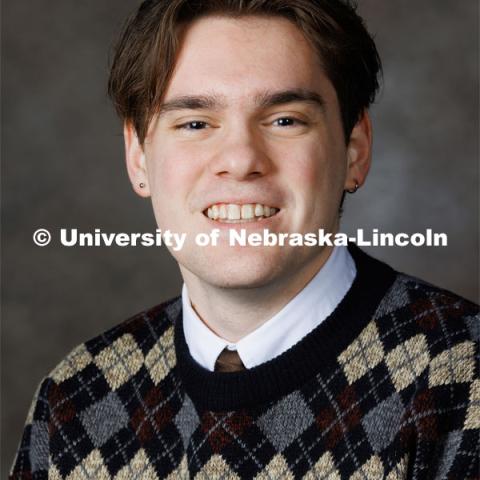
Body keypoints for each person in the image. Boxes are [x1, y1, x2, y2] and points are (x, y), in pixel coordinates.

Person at [10, 0, 479, 478]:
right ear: (138, 157)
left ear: (355, 149)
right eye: (194, 124)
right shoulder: (76, 397)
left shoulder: (461, 381)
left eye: (284, 120)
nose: (240, 160)